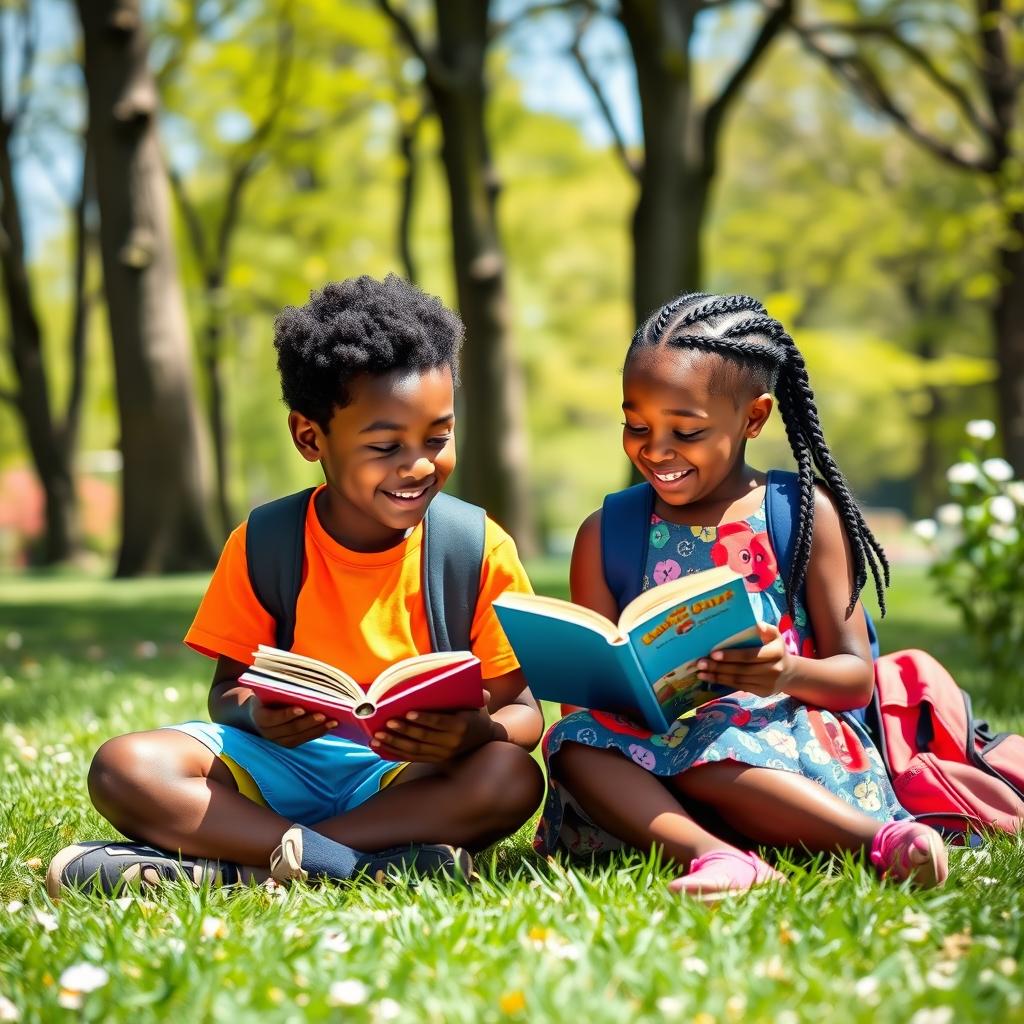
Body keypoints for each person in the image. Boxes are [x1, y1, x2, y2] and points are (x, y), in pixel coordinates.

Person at [48, 275, 544, 896]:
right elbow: (225, 694)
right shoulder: (265, 542)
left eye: (437, 438)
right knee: (126, 767)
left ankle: (247, 863)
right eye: (386, 445)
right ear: (310, 437)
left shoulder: (475, 547)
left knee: (510, 776)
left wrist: (475, 733)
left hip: (406, 780)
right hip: (281, 766)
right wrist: (260, 714)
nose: (418, 464)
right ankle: (357, 865)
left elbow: (524, 715)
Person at [534, 291, 948, 899]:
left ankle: (878, 843)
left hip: (777, 751)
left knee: (714, 737)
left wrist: (784, 671)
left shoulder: (802, 516)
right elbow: (586, 696)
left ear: (753, 419)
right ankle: (718, 858)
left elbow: (856, 675)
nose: (657, 450)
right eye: (637, 426)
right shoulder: (606, 533)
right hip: (654, 763)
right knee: (571, 743)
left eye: (687, 430)